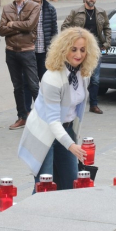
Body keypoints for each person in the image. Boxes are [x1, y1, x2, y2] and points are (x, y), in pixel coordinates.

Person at [18, 27, 100, 190]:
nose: (79, 54)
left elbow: (76, 109)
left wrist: (73, 139)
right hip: (45, 133)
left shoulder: (84, 74)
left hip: (67, 131)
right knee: (45, 185)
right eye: (74, 49)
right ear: (64, 50)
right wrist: (72, 146)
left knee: (70, 182)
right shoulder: (52, 77)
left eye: (83, 50)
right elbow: (53, 121)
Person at [62, 0, 111, 114]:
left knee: (95, 79)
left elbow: (107, 28)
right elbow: (64, 27)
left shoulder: (101, 12)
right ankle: (74, 104)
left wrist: (107, 43)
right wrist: (72, 42)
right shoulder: (76, 12)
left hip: (95, 50)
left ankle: (93, 104)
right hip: (79, 51)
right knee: (76, 77)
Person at [0, 0, 41, 130]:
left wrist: (12, 25)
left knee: (33, 85)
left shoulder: (34, 6)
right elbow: (1, 30)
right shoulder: (7, 8)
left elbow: (30, 25)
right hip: (11, 51)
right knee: (17, 86)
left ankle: (44, 118)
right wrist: (19, 28)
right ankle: (22, 116)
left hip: (27, 50)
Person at [24, 0, 58, 113]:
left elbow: (54, 32)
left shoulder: (50, 9)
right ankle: (26, 112)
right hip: (28, 52)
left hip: (44, 53)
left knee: (45, 83)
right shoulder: (24, 8)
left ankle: (44, 112)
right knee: (27, 83)